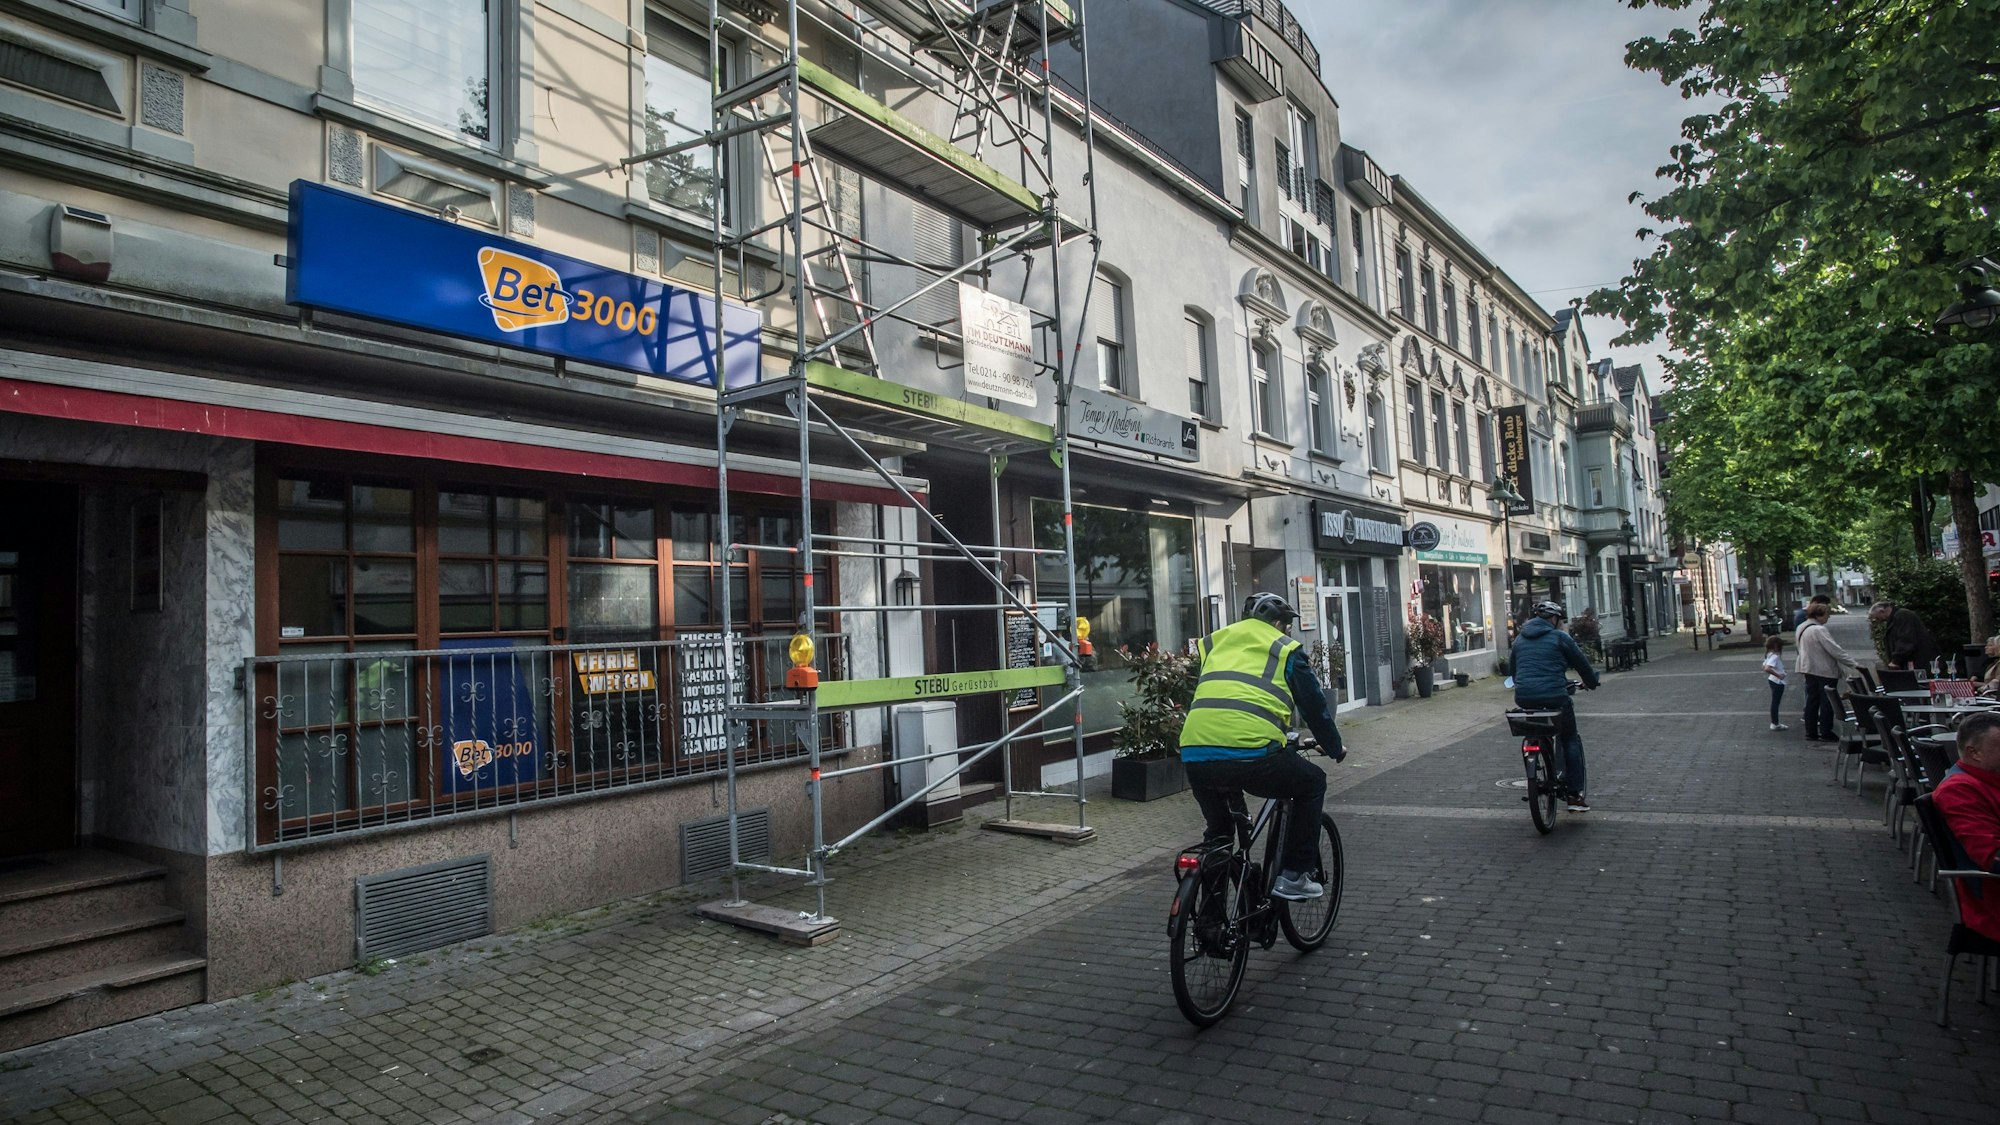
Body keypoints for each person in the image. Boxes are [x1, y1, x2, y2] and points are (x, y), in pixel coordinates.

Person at [1180, 592, 1346, 901]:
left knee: (1219, 834)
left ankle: (1210, 920)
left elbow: (1226, 696)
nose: (1288, 631)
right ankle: (1295, 875)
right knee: (1312, 782)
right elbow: (1314, 707)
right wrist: (1334, 747)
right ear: (1278, 624)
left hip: (1195, 753)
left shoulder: (1217, 643)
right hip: (1253, 756)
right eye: (1287, 625)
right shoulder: (1284, 649)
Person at [1511, 600, 1601, 812]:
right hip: (1555, 696)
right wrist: (1591, 682)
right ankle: (1574, 795)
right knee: (1569, 738)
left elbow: (1513, 673)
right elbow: (1581, 664)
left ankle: (1534, 762)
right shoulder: (1560, 637)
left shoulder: (1519, 640)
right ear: (1553, 618)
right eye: (1559, 620)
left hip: (1524, 697)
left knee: (1535, 728)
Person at [1931, 711, 2000, 942]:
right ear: (1974, 752)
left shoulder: (1987, 779)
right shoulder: (1959, 790)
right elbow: (1992, 857)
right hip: (1991, 905)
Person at [1796, 602, 1859, 743]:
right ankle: (1826, 731)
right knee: (1827, 701)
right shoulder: (1819, 630)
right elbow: (1834, 650)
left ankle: (1810, 731)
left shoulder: (1802, 627)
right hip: (1824, 669)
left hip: (1808, 668)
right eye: (1826, 615)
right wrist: (1854, 664)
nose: (1828, 617)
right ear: (1818, 615)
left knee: (1812, 700)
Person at [1870, 600, 1941, 671]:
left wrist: (1896, 661)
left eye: (1877, 617)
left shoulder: (1902, 616)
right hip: (1917, 660)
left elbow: (1905, 640)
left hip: (1920, 660)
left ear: (1881, 611)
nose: (1877, 620)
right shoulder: (1897, 617)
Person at [1761, 636, 1789, 731]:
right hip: (1777, 681)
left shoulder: (1769, 655)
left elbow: (1764, 666)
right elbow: (1767, 668)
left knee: (1775, 702)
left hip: (1772, 680)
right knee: (1775, 702)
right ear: (1776, 646)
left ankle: (1775, 722)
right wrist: (1779, 675)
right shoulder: (1775, 656)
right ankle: (1775, 723)